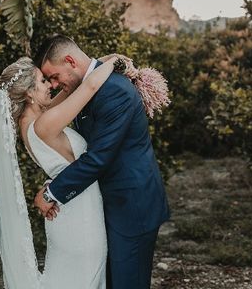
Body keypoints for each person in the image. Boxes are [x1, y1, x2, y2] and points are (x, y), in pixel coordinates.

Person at [32, 34, 170, 289]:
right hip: (109, 203)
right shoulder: (86, 88)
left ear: (71, 61)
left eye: (54, 76)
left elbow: (98, 158)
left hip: (132, 206)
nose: (53, 84)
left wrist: (52, 193)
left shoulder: (114, 90)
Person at [0, 53, 124, 288]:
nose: (51, 86)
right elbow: (91, 85)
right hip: (80, 219)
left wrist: (100, 60)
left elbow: (74, 85)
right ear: (29, 93)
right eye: (43, 81)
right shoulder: (44, 124)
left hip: (67, 212)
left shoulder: (31, 124)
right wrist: (117, 61)